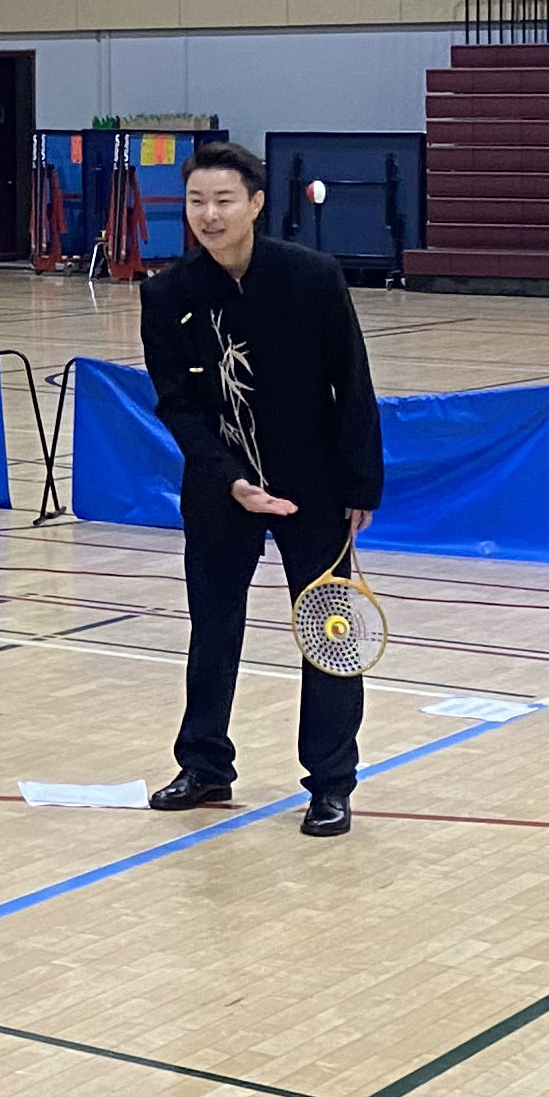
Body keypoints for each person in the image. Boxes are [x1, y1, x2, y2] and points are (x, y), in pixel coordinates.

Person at [140, 141, 382, 839]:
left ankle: (331, 782)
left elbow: (352, 381)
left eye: (223, 201)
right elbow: (177, 404)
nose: (209, 215)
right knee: (213, 625)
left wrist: (360, 482)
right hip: (221, 485)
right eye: (196, 201)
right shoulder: (167, 294)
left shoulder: (312, 277)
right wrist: (231, 480)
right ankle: (204, 764)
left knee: (328, 632)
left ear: (254, 204)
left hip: (315, 484)